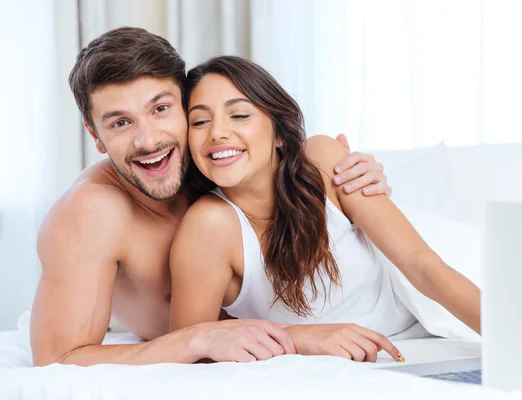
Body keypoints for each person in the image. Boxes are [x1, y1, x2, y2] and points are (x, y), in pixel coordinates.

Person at [29, 27, 396, 367]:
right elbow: (56, 359)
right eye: (120, 123)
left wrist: (354, 172)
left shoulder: (213, 162)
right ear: (94, 135)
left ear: (188, 105)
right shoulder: (92, 211)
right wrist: (197, 340)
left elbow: (289, 158)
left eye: (160, 109)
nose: (149, 140)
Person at [169, 56, 481, 363]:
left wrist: (513, 338)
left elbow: (422, 265)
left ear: (278, 133)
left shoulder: (321, 158)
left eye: (239, 115)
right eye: (200, 121)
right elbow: (192, 346)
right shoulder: (208, 226)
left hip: (444, 284)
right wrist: (299, 337)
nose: (217, 133)